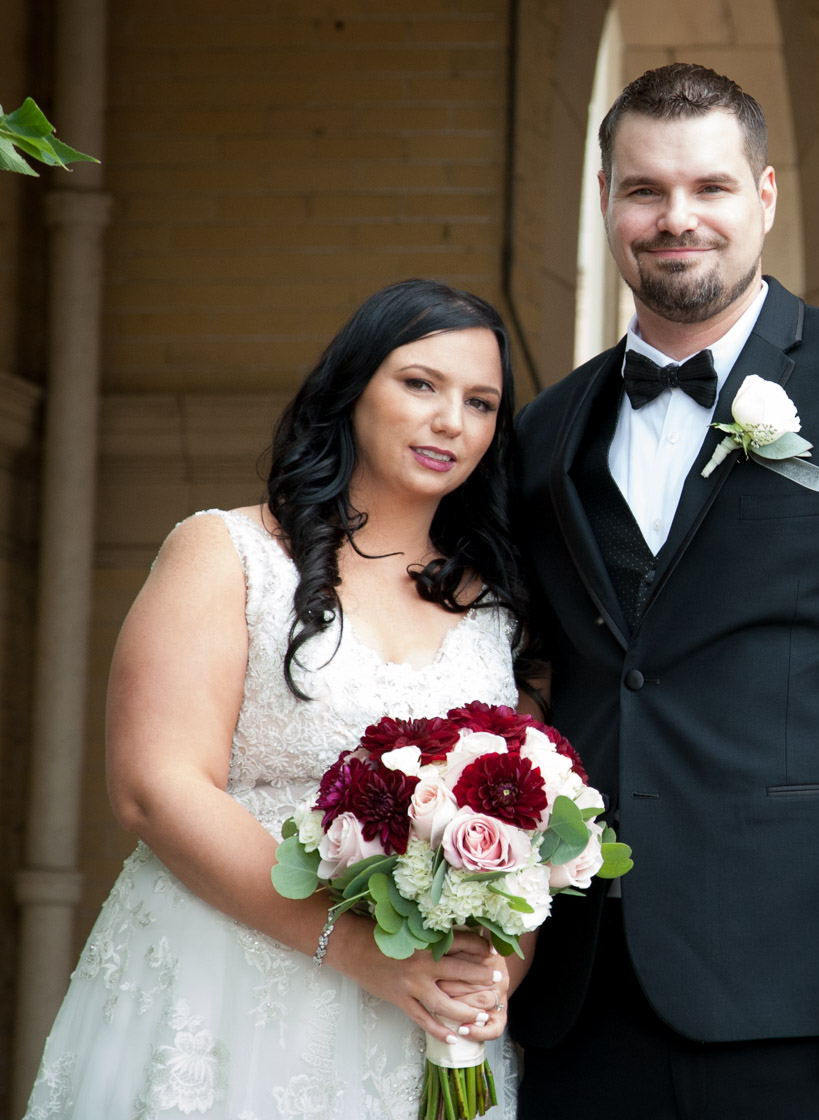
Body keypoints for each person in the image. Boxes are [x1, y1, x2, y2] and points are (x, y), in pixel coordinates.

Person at [508, 64, 819, 1117]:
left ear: (764, 197)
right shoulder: (545, 430)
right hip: (578, 995)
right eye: (644, 190)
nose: (675, 218)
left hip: (818, 996)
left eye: (710, 187)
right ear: (605, 201)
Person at [22, 280, 531, 1119]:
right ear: (353, 387)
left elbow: (527, 834)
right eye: (420, 384)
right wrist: (354, 948)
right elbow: (154, 786)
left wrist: (494, 975)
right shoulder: (228, 553)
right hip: (222, 987)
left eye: (480, 402)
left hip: (412, 1022)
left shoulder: (492, 610)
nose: (451, 421)